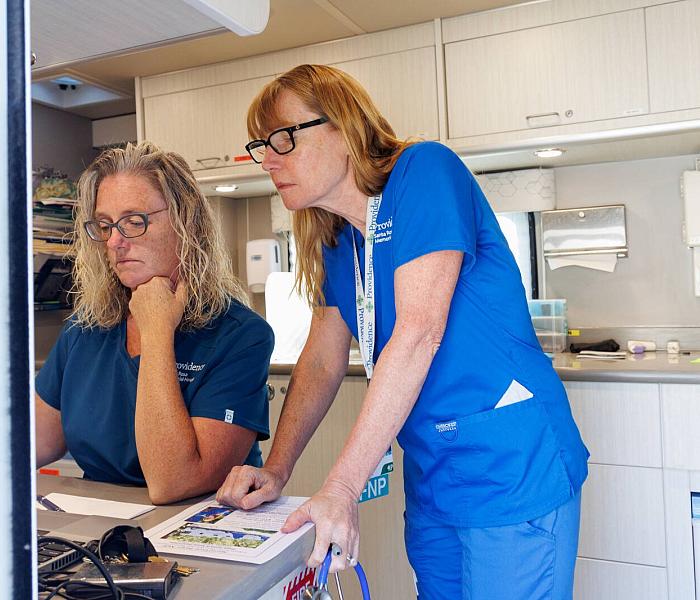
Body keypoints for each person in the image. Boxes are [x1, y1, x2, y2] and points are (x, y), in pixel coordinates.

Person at [216, 64, 589, 599]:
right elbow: (322, 361)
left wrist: (341, 487)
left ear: (342, 127)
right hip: (433, 470)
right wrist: (277, 470)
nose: (269, 159)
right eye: (262, 145)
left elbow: (417, 333)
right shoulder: (337, 240)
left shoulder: (424, 172)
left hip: (510, 464)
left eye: (283, 138)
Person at [35, 141, 274, 505]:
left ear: (186, 223)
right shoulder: (85, 329)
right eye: (105, 225)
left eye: (134, 222)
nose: (115, 241)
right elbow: (30, 445)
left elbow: (172, 483)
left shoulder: (241, 337)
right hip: (101, 530)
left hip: (196, 534)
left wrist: (158, 330)